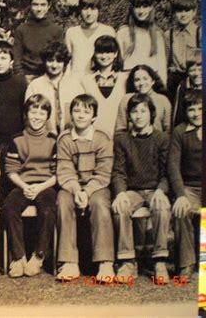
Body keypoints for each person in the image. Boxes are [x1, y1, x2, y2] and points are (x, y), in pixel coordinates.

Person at [112, 93, 171, 284]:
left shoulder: (162, 138)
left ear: (151, 114)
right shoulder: (122, 140)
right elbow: (118, 172)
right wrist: (120, 193)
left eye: (143, 111)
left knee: (162, 207)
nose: (138, 115)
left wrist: (161, 190)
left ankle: (159, 260)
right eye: (134, 111)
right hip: (133, 190)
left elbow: (166, 172)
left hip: (155, 189)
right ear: (129, 115)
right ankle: (128, 261)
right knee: (120, 207)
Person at [56, 94, 115, 282]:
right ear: (71, 115)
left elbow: (104, 173)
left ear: (94, 117)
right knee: (63, 201)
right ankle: (69, 262)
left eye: (86, 112)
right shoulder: (64, 139)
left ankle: (105, 262)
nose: (81, 115)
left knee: (100, 204)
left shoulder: (102, 138)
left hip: (97, 187)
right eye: (76, 111)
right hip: (72, 187)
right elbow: (64, 172)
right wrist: (76, 190)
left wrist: (87, 191)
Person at [2, 95, 57, 278]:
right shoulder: (17, 139)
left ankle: (38, 255)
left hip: (46, 185)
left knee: (48, 210)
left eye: (42, 112)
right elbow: (11, 170)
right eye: (33, 111)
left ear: (47, 116)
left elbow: (58, 173)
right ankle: (19, 257)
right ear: (26, 114)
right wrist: (25, 186)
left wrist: (41, 187)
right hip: (23, 184)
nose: (37, 116)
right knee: (9, 207)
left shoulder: (54, 139)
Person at [168, 90, 202, 282]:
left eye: (200, 108)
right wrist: (180, 194)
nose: (196, 113)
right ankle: (186, 263)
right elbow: (173, 166)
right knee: (181, 209)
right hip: (189, 186)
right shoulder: (180, 131)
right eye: (191, 109)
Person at [26, 41, 81, 136]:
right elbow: (29, 114)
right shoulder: (35, 85)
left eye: (59, 61)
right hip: (44, 137)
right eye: (50, 60)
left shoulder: (75, 85)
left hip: (70, 137)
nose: (54, 65)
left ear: (65, 63)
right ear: (45, 61)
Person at [117, 0, 167, 87]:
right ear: (132, 9)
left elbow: (162, 65)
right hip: (129, 81)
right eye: (137, 7)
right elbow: (118, 63)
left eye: (145, 6)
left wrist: (163, 86)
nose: (141, 11)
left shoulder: (157, 33)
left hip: (150, 82)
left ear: (150, 8)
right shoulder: (123, 32)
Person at [13, 0, 64, 82]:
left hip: (48, 77)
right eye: (35, 4)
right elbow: (17, 58)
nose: (39, 9)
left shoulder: (57, 30)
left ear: (49, 6)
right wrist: (22, 78)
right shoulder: (21, 29)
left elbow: (59, 57)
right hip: (26, 76)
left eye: (43, 5)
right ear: (30, 6)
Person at [81, 35, 127, 138]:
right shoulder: (86, 80)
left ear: (115, 54)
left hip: (120, 135)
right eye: (100, 52)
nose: (104, 56)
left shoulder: (125, 79)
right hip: (94, 135)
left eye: (108, 52)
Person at [65, 0, 116, 76]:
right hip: (76, 81)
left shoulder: (108, 31)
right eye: (85, 9)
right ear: (80, 10)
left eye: (93, 9)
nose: (89, 13)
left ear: (99, 10)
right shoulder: (71, 32)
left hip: (99, 81)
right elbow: (68, 62)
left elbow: (113, 59)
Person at [165, 0, 201, 105]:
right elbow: (165, 60)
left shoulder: (199, 32)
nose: (183, 14)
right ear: (175, 13)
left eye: (187, 10)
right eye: (179, 11)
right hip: (175, 80)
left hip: (195, 77)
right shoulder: (168, 34)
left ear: (194, 12)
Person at [115, 64, 171, 135]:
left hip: (157, 144)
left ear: (153, 81)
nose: (141, 83)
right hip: (131, 143)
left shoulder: (163, 100)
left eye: (145, 79)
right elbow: (120, 130)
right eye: (137, 80)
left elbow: (168, 131)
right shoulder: (126, 99)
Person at [173, 49, 202, 127]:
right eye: (192, 70)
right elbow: (178, 116)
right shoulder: (183, 86)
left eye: (200, 69)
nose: (196, 73)